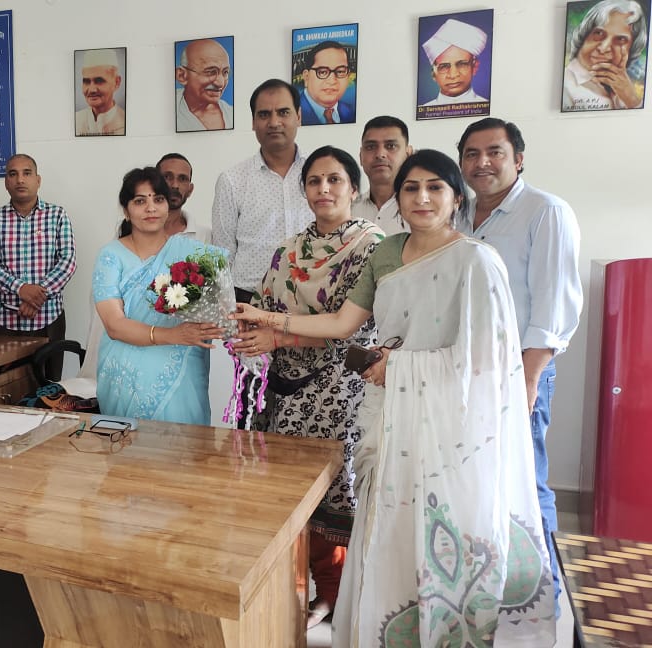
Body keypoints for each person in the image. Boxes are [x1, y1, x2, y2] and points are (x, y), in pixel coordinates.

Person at [232, 150, 557, 647]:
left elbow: (486, 362)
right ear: (397, 198)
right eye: (411, 188)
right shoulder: (387, 254)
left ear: (456, 198)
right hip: (387, 416)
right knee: (387, 527)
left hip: (449, 428)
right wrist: (268, 320)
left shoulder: (476, 261)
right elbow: (343, 322)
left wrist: (399, 367)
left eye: (435, 187)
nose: (422, 198)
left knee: (444, 533)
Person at [227, 147, 383, 627]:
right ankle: (295, 587)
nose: (324, 189)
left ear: (353, 188)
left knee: (336, 491)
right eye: (314, 181)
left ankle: (336, 594)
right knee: (288, 492)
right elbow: (263, 304)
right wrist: (249, 330)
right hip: (285, 388)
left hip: (339, 389)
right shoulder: (289, 249)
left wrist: (276, 332)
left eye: (335, 180)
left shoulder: (371, 246)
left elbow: (350, 328)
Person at [456, 117, 583, 606]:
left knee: (526, 483)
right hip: (464, 370)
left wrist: (528, 380)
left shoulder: (545, 212)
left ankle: (543, 598)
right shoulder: (459, 213)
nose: (482, 162)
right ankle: (489, 589)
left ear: (519, 158)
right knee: (476, 481)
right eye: (471, 154)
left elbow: (553, 308)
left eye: (495, 152)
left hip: (519, 370)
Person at [93, 167, 224, 424]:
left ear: (167, 206)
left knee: (186, 444)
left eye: (158, 199)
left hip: (183, 373)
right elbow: (114, 325)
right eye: (140, 201)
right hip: (125, 374)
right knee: (129, 446)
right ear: (126, 210)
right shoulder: (111, 256)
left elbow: (216, 310)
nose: (151, 208)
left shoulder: (195, 253)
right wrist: (172, 335)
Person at [213, 79, 313, 303]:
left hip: (312, 299)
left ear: (298, 116)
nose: (274, 122)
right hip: (249, 301)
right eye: (264, 114)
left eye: (283, 112)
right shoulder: (232, 180)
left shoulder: (320, 174)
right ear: (253, 122)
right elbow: (222, 255)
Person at [0, 154, 77, 379]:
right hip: (6, 321)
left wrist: (37, 297)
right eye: (13, 174)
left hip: (49, 318)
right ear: (6, 182)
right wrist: (21, 289)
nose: (20, 180)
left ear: (38, 180)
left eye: (27, 173)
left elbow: (68, 261)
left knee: (50, 386)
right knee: (8, 387)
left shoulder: (57, 215)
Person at [562, 0, 648, 111]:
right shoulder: (566, 86)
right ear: (584, 35)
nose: (603, 48)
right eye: (599, 33)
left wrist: (632, 100)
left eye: (620, 39)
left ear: (631, 49)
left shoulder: (623, 89)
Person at [352, 116, 414, 234]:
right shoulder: (348, 210)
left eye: (391, 146)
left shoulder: (422, 209)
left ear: (408, 154)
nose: (380, 154)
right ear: (361, 156)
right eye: (371, 147)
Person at [421, 18, 489, 105]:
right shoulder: (425, 108)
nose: (453, 75)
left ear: (474, 67)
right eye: (444, 67)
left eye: (462, 64)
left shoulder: (488, 106)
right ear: (433, 74)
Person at [176, 38, 234, 131]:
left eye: (225, 72)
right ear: (182, 75)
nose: (220, 83)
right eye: (211, 72)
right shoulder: (169, 111)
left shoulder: (231, 114)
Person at [298, 41, 357, 125]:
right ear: (306, 77)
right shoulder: (293, 113)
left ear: (348, 76)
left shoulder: (350, 112)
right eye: (322, 72)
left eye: (340, 71)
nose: (332, 81)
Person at [75, 49, 126, 136]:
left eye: (99, 81)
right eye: (86, 81)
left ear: (116, 82)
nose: (92, 90)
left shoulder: (126, 122)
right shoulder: (75, 120)